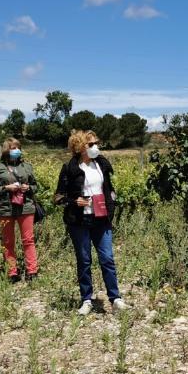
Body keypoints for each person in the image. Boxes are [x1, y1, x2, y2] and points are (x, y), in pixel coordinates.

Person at [55, 130, 129, 315]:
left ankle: (115, 298)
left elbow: (109, 188)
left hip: (101, 218)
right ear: (80, 147)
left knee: (107, 258)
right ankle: (86, 299)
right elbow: (57, 197)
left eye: (97, 143)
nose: (96, 147)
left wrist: (112, 199)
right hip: (79, 220)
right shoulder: (69, 168)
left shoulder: (102, 164)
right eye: (91, 144)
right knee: (84, 260)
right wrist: (74, 201)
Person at [0, 137, 39, 283]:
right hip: (5, 209)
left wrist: (28, 188)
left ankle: (32, 271)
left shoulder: (27, 167)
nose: (16, 150)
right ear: (6, 150)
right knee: (8, 242)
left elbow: (35, 186)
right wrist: (5, 188)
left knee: (28, 240)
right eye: (13, 148)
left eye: (18, 147)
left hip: (25, 207)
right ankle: (12, 272)